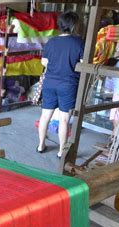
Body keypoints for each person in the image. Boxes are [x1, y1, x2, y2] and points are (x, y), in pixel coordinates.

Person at [36, 11, 84, 159]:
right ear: (74, 25)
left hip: (49, 83)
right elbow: (83, 64)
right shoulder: (79, 42)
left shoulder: (51, 41)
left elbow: (44, 62)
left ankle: (41, 145)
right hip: (68, 85)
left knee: (45, 116)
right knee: (64, 119)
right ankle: (61, 151)